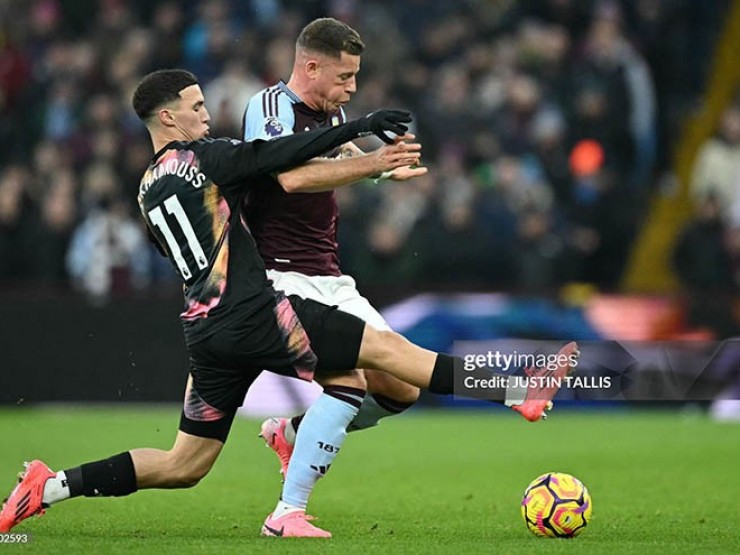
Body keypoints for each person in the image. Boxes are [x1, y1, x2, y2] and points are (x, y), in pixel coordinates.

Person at [0, 69, 578, 538]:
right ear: (168, 117)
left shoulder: (148, 187)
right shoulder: (203, 158)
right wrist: (368, 129)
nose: (207, 114)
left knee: (185, 465)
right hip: (255, 314)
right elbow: (281, 153)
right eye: (197, 106)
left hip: (205, 332)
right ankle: (515, 393)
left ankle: (48, 487)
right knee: (373, 360)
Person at [240, 18, 578, 537]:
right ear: (310, 66)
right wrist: (369, 160)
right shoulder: (271, 107)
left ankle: (292, 434)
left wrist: (380, 168)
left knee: (400, 388)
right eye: (345, 76)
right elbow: (286, 176)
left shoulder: (333, 112)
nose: (352, 88)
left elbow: (338, 155)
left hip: (329, 278)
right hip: (281, 280)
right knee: (354, 381)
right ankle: (287, 513)